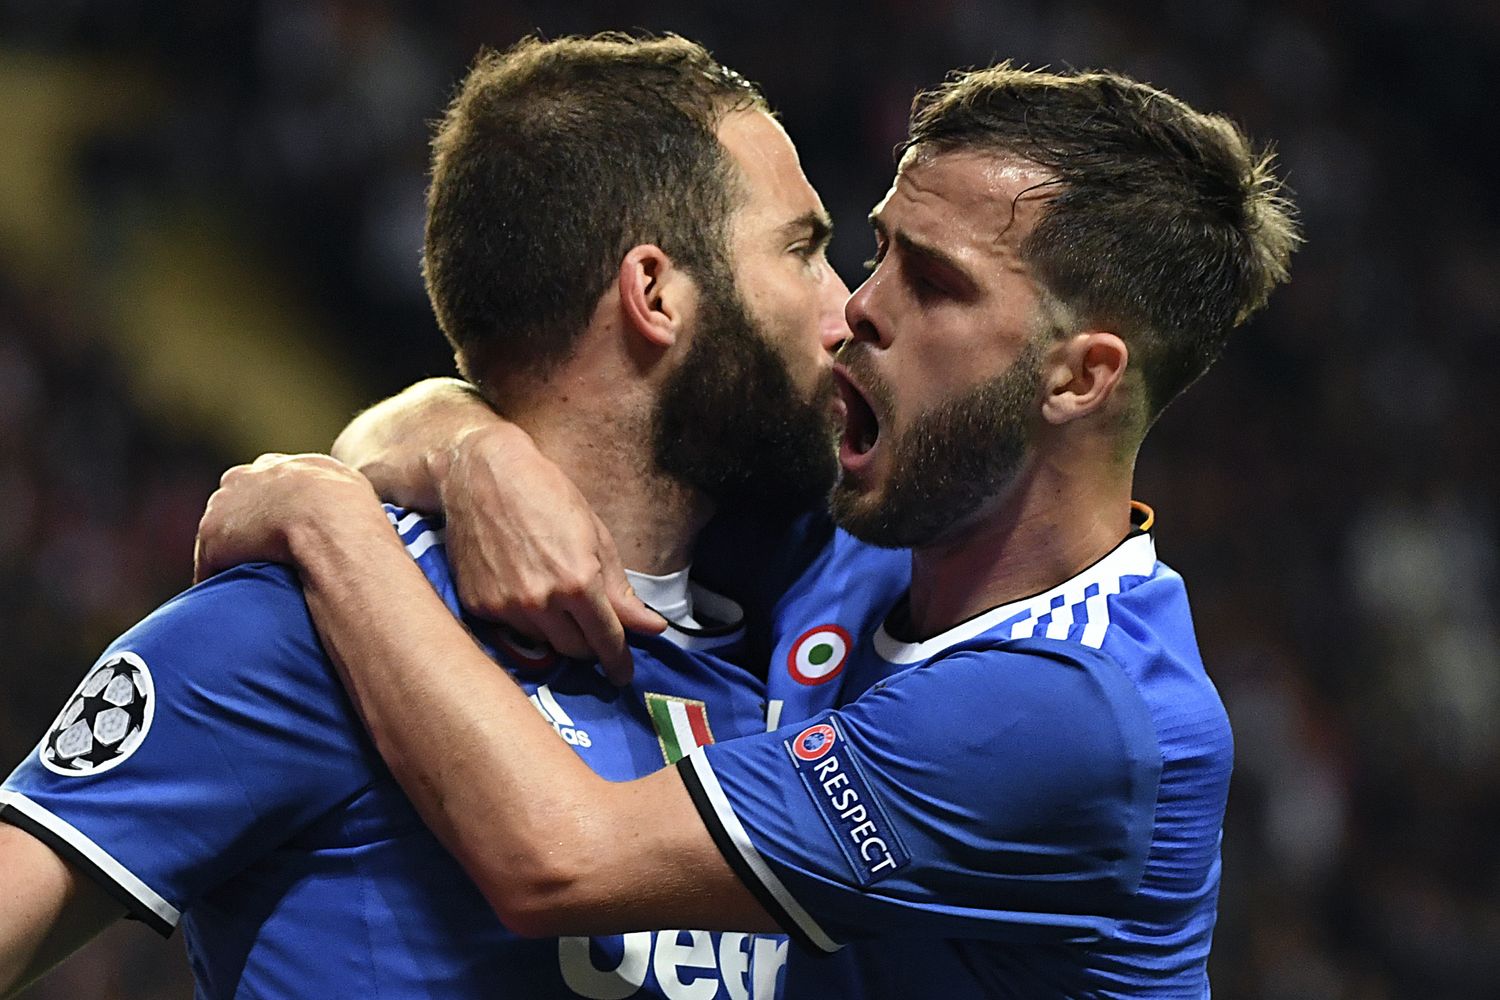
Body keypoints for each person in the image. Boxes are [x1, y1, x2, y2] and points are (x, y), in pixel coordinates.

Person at [194, 64, 1300, 997]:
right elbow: (554, 414)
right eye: (878, 251)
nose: (861, 304)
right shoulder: (864, 528)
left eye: (934, 282)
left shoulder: (1074, 712)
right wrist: (466, 449)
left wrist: (327, 519)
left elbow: (556, 861)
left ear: (1080, 374)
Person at [0, 33, 852, 999]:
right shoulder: (309, 626)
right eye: (804, 251)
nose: (846, 307)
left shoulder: (817, 640)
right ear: (653, 293)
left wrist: (451, 442)